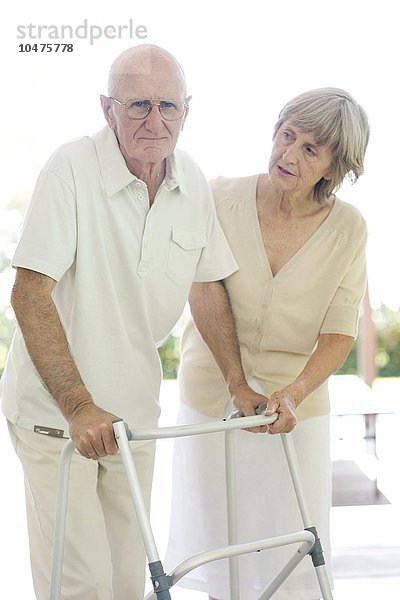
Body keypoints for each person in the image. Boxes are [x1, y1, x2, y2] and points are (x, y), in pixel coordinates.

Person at [0, 44, 238, 600]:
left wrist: (238, 382)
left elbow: (207, 287)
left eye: (168, 106)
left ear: (187, 111)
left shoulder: (192, 179)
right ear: (108, 110)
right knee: (82, 584)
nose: (154, 121)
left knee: (131, 582)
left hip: (134, 414)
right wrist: (78, 406)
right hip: (57, 415)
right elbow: (29, 292)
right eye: (138, 105)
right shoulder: (72, 166)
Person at [165, 88, 369, 599]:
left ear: (334, 167)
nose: (288, 155)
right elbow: (202, 289)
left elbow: (339, 331)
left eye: (310, 150)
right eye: (286, 136)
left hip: (295, 407)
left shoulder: (348, 228)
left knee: (293, 555)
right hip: (213, 391)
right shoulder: (220, 197)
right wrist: (236, 380)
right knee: (219, 547)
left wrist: (293, 393)